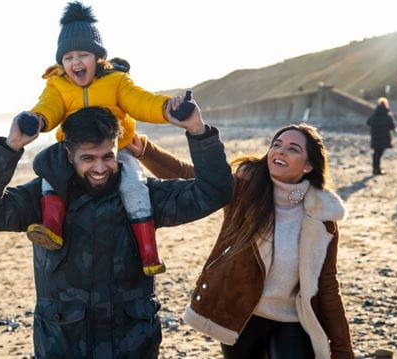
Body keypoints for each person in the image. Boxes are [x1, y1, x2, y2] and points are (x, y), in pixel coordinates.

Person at [0, 104, 234, 357]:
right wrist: (10, 147)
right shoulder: (40, 198)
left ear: (117, 148)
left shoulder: (144, 195)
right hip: (63, 343)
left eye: (108, 157)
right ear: (69, 154)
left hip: (132, 343)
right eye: (88, 158)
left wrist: (198, 132)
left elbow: (214, 192)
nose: (100, 168)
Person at [139, 124, 354, 358]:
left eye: (293, 149)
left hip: (292, 319)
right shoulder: (245, 191)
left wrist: (343, 349)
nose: (280, 151)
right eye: (277, 145)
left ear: (308, 165)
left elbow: (328, 285)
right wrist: (144, 150)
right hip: (239, 315)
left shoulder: (321, 217)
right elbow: (194, 178)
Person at [18, 1, 189, 276]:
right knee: (51, 171)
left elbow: (141, 101)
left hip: (116, 149)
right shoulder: (57, 85)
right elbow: (47, 107)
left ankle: (149, 252)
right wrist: (36, 120)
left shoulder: (116, 81)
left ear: (97, 57)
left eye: (83, 54)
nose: (75, 62)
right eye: (68, 57)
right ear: (61, 62)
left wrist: (167, 108)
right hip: (74, 151)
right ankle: (51, 227)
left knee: (135, 186)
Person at [367, 97, 396, 175]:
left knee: (376, 153)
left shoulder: (374, 114)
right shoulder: (388, 115)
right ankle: (377, 169)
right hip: (384, 138)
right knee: (379, 153)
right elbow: (392, 126)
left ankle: (375, 169)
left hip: (375, 137)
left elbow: (368, 123)